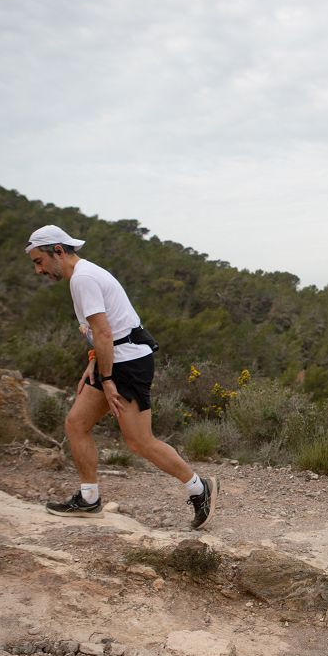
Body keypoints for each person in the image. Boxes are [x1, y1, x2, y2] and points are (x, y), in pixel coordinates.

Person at [25, 224, 219, 529]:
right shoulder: (81, 276)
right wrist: (94, 362)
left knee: (140, 442)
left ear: (58, 251)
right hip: (112, 359)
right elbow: (99, 332)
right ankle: (89, 500)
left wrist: (107, 378)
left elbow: (104, 332)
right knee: (76, 423)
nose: (38, 270)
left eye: (39, 261)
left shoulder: (84, 279)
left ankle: (199, 488)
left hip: (127, 363)